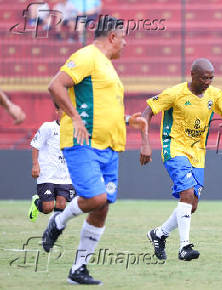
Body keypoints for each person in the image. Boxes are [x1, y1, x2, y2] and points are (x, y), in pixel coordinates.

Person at [41, 16, 146, 285]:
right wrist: (75, 117)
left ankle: (78, 269)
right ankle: (59, 221)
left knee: (103, 207)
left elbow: (100, 108)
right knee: (96, 198)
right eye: (123, 38)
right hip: (83, 143)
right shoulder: (87, 56)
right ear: (112, 37)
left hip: (109, 146)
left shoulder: (107, 67)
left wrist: (126, 121)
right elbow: (55, 85)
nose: (125, 43)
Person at [140, 58, 222, 261]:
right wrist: (145, 142)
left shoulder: (214, 94)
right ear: (193, 75)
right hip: (174, 147)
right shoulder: (175, 93)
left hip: (198, 153)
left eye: (211, 77)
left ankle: (159, 233)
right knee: (187, 193)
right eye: (204, 78)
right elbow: (147, 112)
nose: (208, 81)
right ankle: (184, 247)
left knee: (193, 204)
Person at [28, 103, 75, 222]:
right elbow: (35, 145)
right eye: (62, 110)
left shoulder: (74, 130)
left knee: (61, 205)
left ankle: (51, 232)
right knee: (47, 207)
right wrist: (35, 164)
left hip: (64, 175)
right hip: (47, 174)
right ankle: (37, 202)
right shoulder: (48, 127)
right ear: (57, 111)